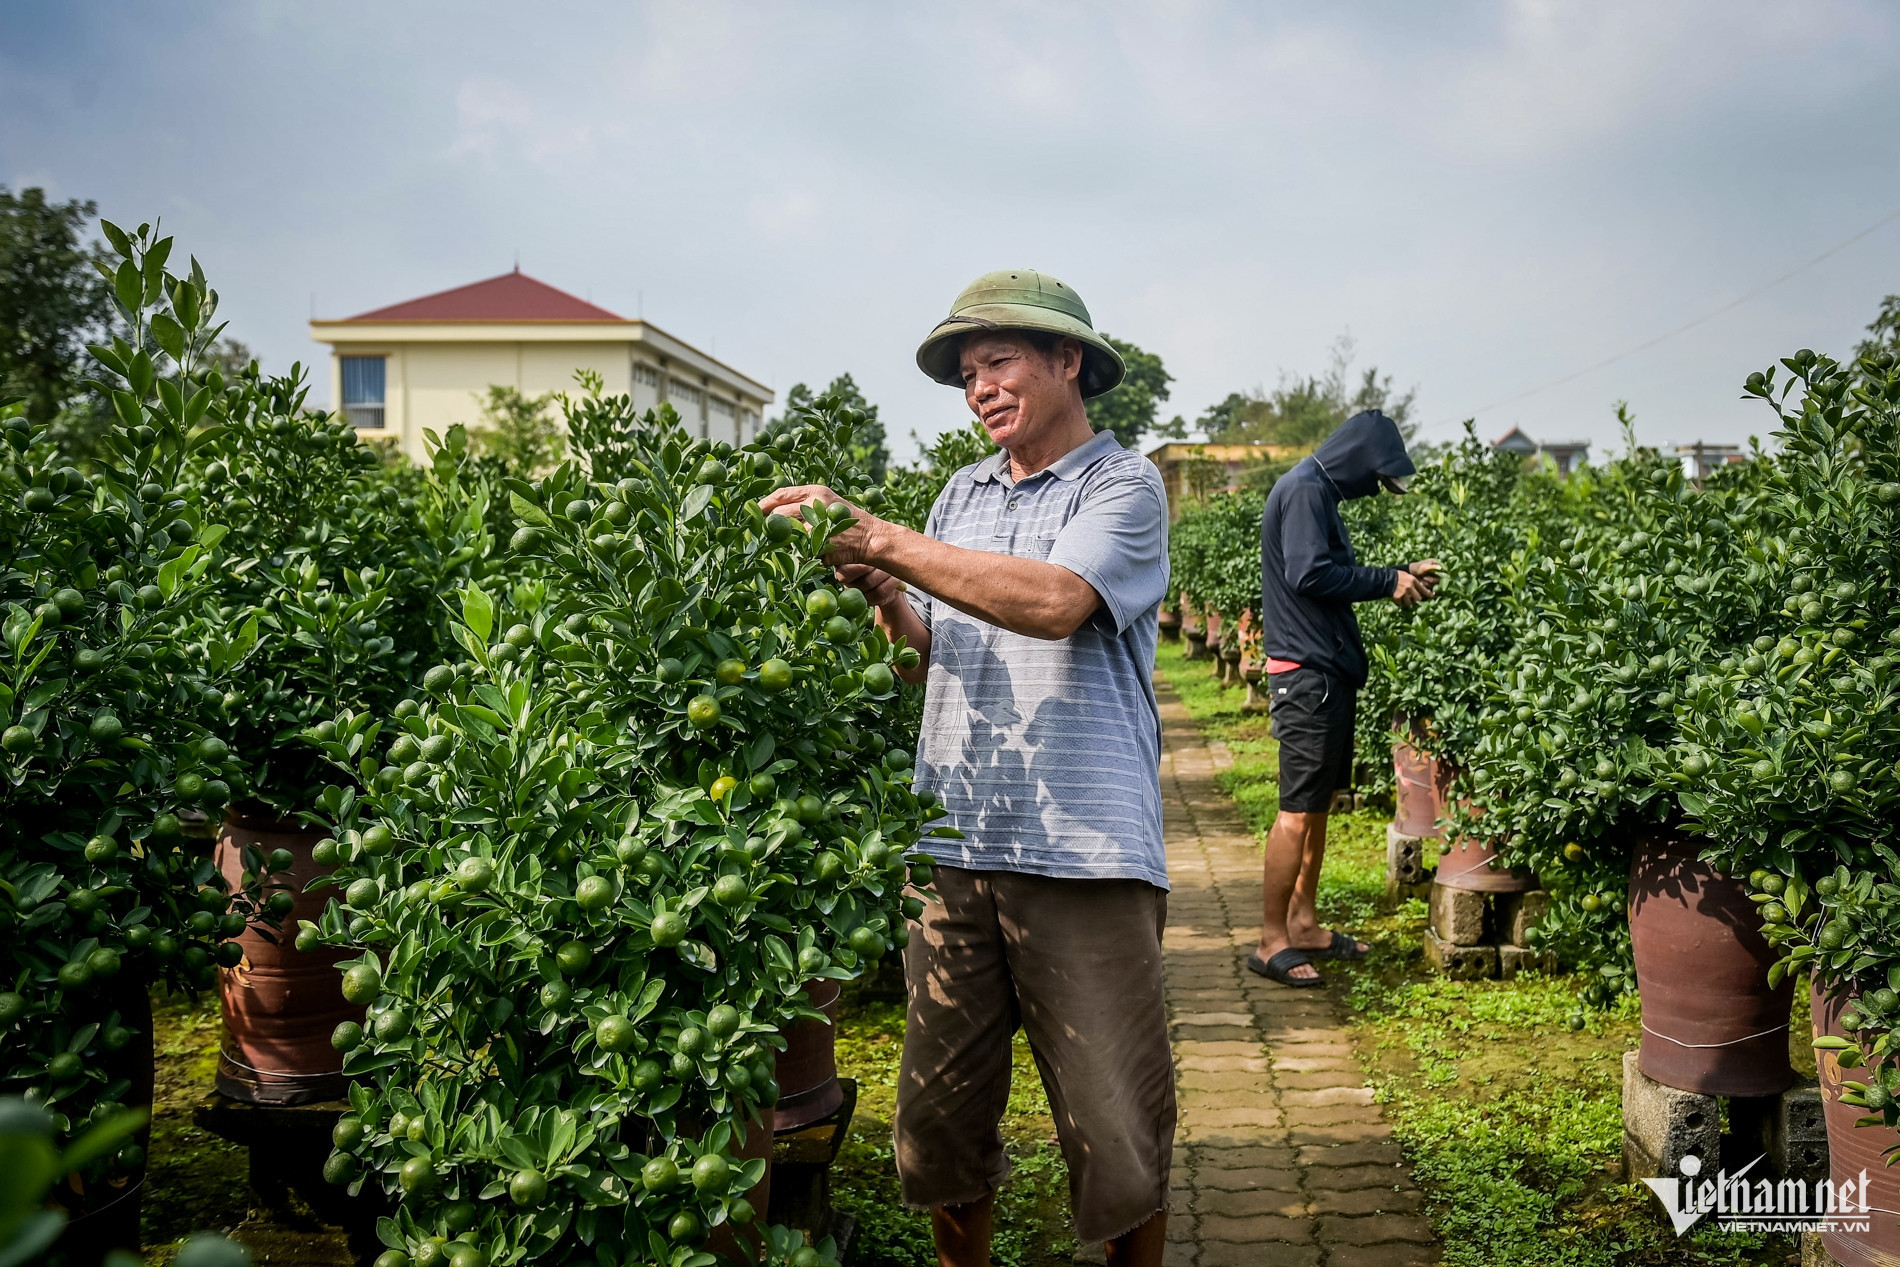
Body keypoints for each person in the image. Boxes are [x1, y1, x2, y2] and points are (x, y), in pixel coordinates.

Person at [757, 269, 1173, 1267]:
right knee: (939, 1125)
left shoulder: (1123, 484)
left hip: (1083, 850)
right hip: (951, 849)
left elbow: (1057, 602)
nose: (980, 387)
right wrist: (881, 590)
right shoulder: (961, 493)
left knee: (1114, 1132)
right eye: (967, 374)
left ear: (1068, 362)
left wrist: (885, 537)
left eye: (999, 363)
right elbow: (924, 661)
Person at [1250, 410, 1439, 988]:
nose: (1373, 492)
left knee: (1319, 806)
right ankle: (1270, 939)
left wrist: (1399, 573)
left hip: (1324, 676)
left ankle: (1303, 923)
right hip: (1307, 679)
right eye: (1376, 479)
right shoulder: (1306, 489)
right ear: (1357, 460)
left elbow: (1328, 574)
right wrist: (1387, 582)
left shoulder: (1315, 493)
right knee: (1296, 809)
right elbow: (1310, 575)